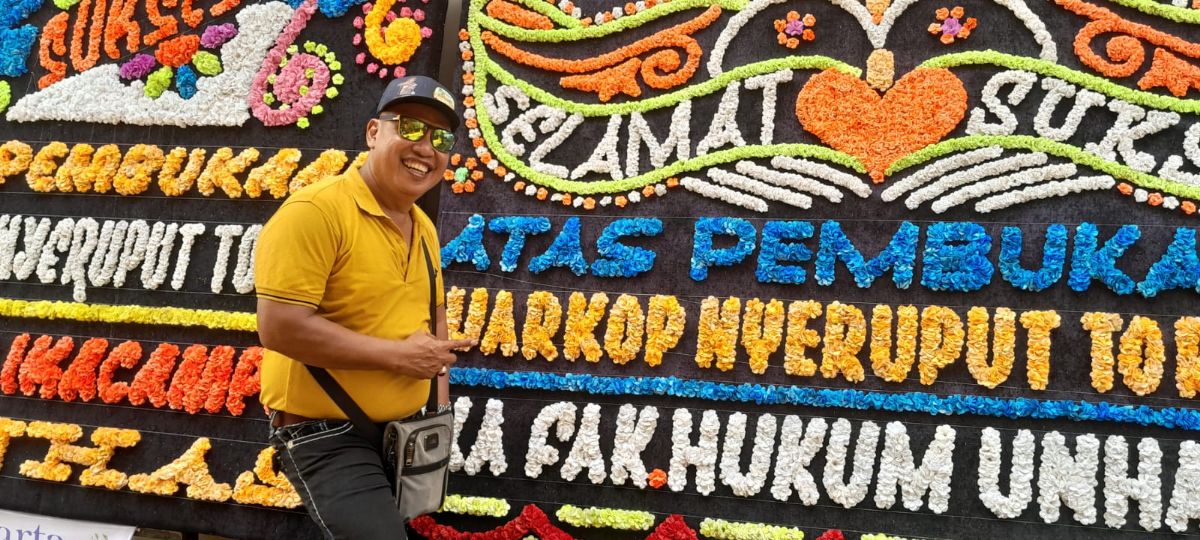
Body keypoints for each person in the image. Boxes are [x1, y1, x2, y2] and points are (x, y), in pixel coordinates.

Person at [254, 75, 475, 539]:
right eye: (410, 128)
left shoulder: (423, 226)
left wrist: (437, 414)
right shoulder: (316, 211)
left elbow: (434, 320)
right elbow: (280, 327)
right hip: (326, 433)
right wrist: (397, 358)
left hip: (402, 435)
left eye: (441, 138)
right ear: (374, 132)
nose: (425, 148)